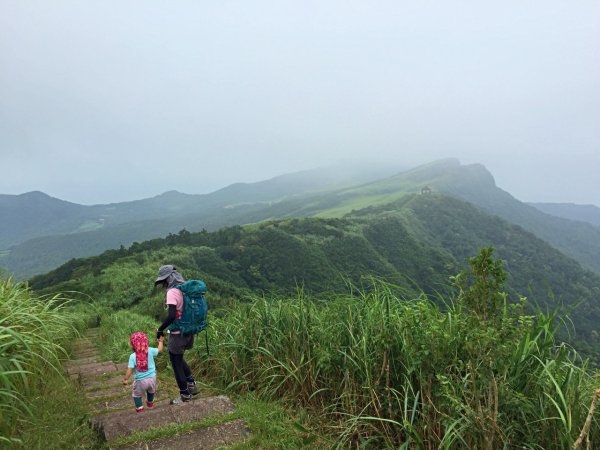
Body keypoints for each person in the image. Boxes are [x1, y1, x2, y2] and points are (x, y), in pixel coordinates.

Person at [154, 264, 199, 405]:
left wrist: (160, 329)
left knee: (176, 363)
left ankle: (185, 394)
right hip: (189, 332)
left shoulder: (172, 292)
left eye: (163, 281)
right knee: (179, 358)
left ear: (167, 279)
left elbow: (172, 316)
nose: (163, 284)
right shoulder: (186, 289)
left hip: (177, 333)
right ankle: (191, 384)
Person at [123, 331, 163, 412]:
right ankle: (150, 403)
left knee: (136, 395)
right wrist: (161, 341)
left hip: (140, 381)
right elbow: (160, 350)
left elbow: (130, 370)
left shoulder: (132, 356)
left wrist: (126, 379)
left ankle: (140, 408)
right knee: (151, 391)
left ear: (132, 345)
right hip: (152, 378)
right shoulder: (150, 350)